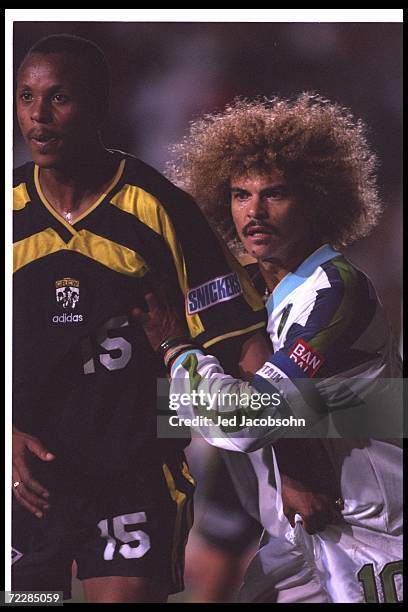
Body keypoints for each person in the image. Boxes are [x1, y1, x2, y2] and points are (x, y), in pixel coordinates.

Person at [12, 34, 271, 603]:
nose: (37, 115)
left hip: (130, 475)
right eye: (25, 96)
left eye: (59, 98)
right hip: (26, 486)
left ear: (101, 106)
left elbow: (248, 351)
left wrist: (306, 452)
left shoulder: (159, 208)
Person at [133, 94, 403, 603]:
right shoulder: (240, 292)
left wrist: (177, 350)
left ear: (316, 201)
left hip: (375, 532)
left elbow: (248, 418)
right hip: (295, 537)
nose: (254, 212)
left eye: (274, 194)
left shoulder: (334, 290)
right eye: (240, 195)